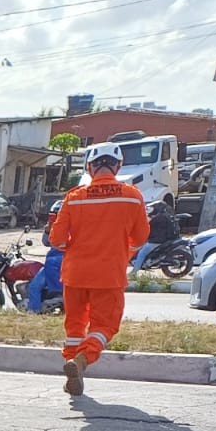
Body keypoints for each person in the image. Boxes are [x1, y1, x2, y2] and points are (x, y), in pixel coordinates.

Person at [53, 150, 149, 396]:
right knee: (105, 326)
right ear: (117, 166)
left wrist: (73, 248)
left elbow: (57, 239)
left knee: (74, 328)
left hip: (75, 274)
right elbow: (140, 237)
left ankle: (74, 371)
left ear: (89, 167)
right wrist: (123, 252)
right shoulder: (132, 196)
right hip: (109, 274)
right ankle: (82, 360)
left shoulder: (74, 197)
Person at [27, 200, 65, 313]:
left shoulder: (72, 226)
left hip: (62, 261)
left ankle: (34, 311)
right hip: (57, 260)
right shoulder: (52, 226)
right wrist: (48, 230)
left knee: (34, 287)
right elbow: (45, 242)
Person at [130, 200, 179, 272]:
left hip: (156, 241)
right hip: (163, 240)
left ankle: (134, 272)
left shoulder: (158, 218)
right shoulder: (165, 216)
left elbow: (147, 228)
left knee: (142, 253)